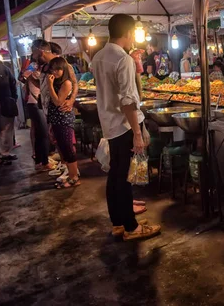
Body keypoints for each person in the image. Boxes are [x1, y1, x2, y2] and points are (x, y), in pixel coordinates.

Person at [91, 14, 160, 241]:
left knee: (116, 176)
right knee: (125, 178)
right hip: (123, 126)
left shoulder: (99, 57)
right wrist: (138, 134)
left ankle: (118, 222)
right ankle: (131, 227)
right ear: (129, 33)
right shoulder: (123, 59)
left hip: (109, 125)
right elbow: (129, 101)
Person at [46, 57, 80, 189]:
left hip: (63, 119)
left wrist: (49, 86)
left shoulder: (66, 83)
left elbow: (58, 102)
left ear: (63, 69)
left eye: (57, 69)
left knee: (68, 148)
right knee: (63, 148)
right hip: (56, 119)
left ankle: (74, 177)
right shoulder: (57, 82)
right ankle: (72, 175)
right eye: (52, 69)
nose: (54, 72)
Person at [20, 56, 55, 171]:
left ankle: (40, 161)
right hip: (35, 102)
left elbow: (22, 77)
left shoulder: (37, 67)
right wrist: (31, 79)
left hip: (35, 102)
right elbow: (22, 77)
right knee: (43, 133)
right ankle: (44, 162)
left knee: (40, 133)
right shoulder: (34, 66)